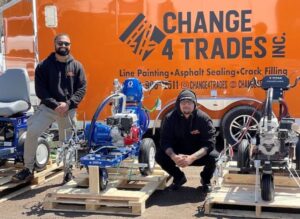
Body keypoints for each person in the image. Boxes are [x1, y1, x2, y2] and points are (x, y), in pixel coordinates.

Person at [12, 33, 87, 182]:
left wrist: (69, 104)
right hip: (48, 108)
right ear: (55, 45)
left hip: (68, 109)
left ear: (70, 46)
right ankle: (28, 169)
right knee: (32, 132)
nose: (63, 46)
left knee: (67, 141)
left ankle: (67, 172)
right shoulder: (44, 66)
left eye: (66, 43)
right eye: (60, 43)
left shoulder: (77, 66)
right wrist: (55, 105)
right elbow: (41, 91)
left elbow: (82, 88)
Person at [155, 89, 218, 192]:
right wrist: (174, 156)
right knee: (159, 156)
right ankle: (178, 177)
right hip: (178, 154)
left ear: (194, 104)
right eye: (183, 102)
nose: (186, 105)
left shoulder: (204, 118)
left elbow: (210, 143)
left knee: (214, 157)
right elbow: (164, 141)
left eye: (189, 102)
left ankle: (206, 180)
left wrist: (192, 158)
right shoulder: (169, 118)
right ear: (178, 104)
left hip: (197, 154)